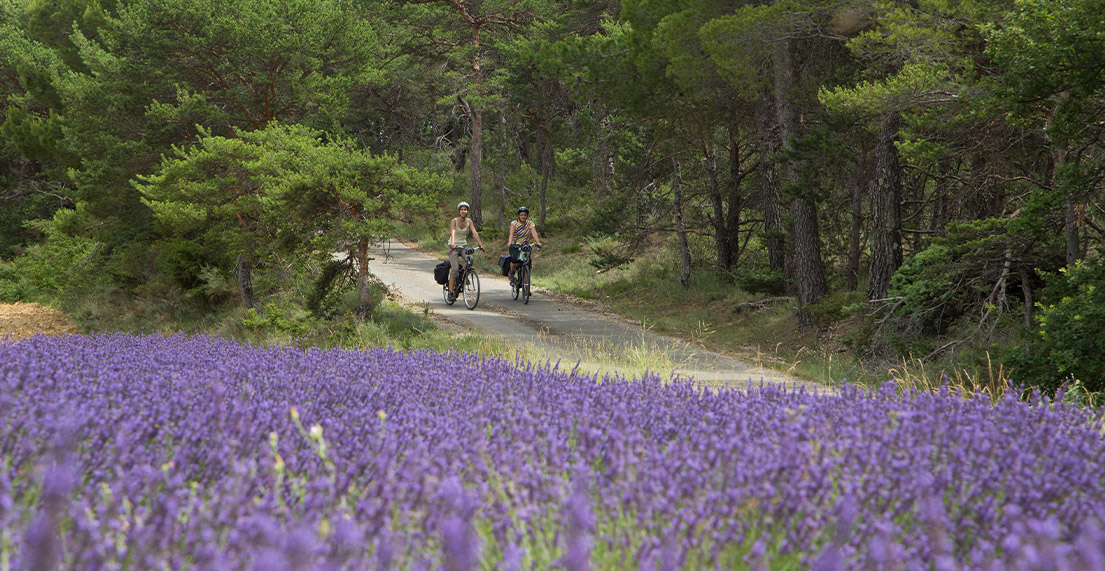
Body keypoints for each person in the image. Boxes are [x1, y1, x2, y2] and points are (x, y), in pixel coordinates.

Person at [448, 202, 484, 301]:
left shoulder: (469, 221)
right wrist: (452, 243)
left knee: (470, 259)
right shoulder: (454, 220)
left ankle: (463, 274)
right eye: (462, 209)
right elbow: (453, 231)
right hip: (453, 246)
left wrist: (480, 244)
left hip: (463, 245)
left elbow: (474, 233)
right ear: (459, 211)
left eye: (465, 209)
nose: (464, 211)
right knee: (454, 269)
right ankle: (450, 292)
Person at [506, 206, 542, 285]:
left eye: (525, 215)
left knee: (527, 263)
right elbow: (511, 233)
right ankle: (511, 272)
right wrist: (509, 242)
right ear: (519, 215)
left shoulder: (530, 223)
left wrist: (538, 242)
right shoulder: (514, 223)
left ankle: (526, 285)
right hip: (515, 246)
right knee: (515, 260)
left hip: (525, 246)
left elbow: (534, 233)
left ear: (527, 216)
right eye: (521, 215)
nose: (523, 217)